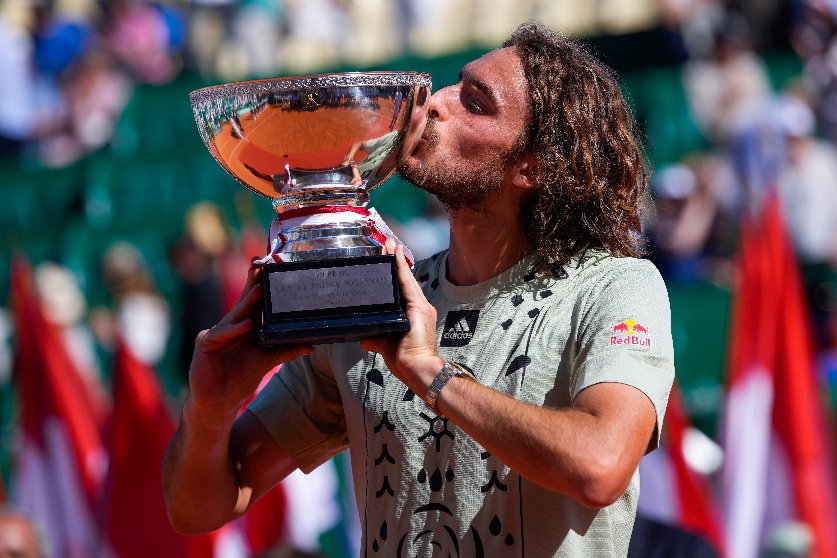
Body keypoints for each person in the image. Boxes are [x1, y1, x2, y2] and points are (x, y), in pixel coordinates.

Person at [163, 20, 675, 557]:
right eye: (455, 83)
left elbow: (599, 467)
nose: (435, 103)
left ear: (533, 166)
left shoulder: (614, 286)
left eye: (476, 103)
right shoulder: (372, 295)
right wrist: (210, 412)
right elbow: (198, 509)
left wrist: (430, 373)